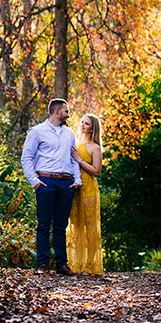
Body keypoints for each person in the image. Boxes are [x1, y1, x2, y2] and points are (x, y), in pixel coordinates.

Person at [20, 99, 82, 276]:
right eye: (66, 111)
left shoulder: (69, 133)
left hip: (66, 183)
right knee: (44, 225)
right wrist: (35, 182)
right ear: (57, 111)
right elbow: (26, 158)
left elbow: (73, 158)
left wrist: (76, 180)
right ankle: (43, 265)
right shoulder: (37, 132)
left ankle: (62, 264)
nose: (68, 115)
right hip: (46, 182)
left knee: (61, 225)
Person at [66, 114, 104, 275]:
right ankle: (75, 264)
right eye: (82, 122)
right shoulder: (74, 143)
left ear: (92, 128)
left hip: (89, 190)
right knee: (75, 225)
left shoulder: (94, 147)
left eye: (86, 124)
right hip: (74, 189)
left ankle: (90, 266)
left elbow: (96, 171)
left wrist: (80, 160)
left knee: (90, 227)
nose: (82, 125)